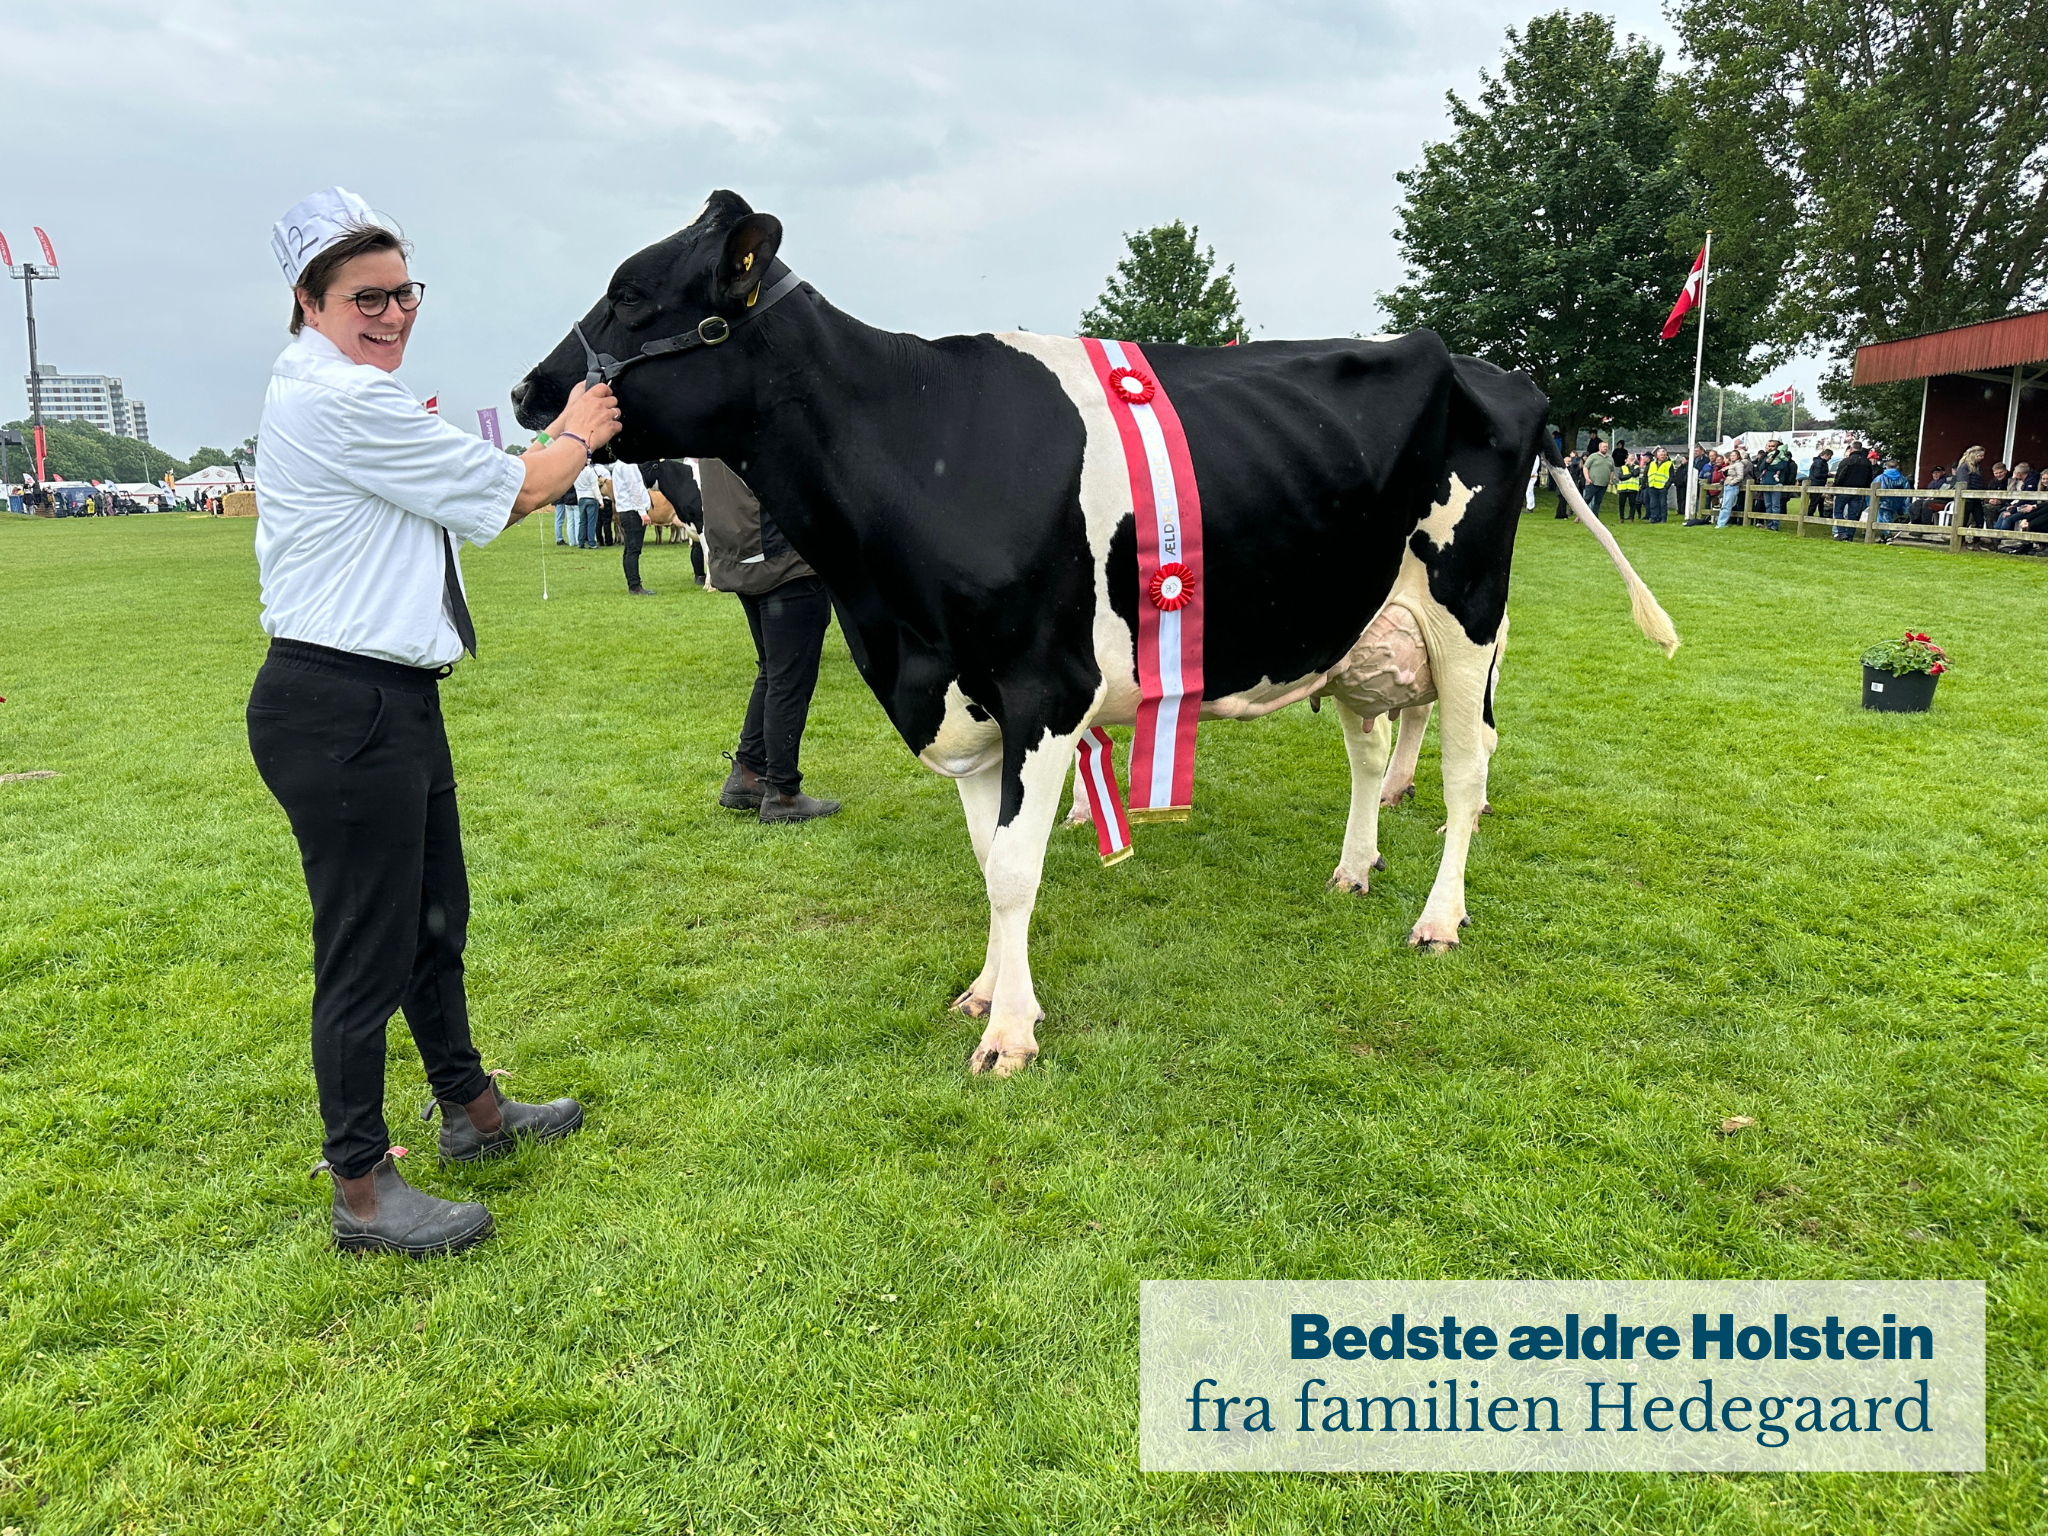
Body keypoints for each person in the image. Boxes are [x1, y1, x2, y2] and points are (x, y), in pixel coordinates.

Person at [248, 187, 619, 1256]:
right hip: (343, 704)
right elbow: (516, 491)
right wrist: (578, 431)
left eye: (404, 291)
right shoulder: (341, 400)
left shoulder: (349, 390)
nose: (393, 313)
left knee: (431, 922)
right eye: (365, 297)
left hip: (387, 698)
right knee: (364, 952)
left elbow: (471, 493)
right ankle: (361, 1187)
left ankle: (472, 1109)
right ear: (309, 301)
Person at [700, 457, 842, 823]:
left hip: (741, 552)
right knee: (789, 679)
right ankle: (783, 793)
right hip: (785, 556)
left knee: (773, 670)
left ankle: (748, 773)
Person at [649, 460, 707, 583]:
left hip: (697, 506)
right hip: (692, 507)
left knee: (700, 542)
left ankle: (704, 575)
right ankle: (700, 575)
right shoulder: (688, 464)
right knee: (698, 543)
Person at [609, 457, 655, 595]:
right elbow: (633, 489)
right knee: (633, 550)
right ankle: (635, 586)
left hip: (626, 510)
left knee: (630, 549)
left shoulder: (619, 465)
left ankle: (633, 583)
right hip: (632, 512)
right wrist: (642, 512)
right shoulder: (628, 465)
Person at [1832, 442, 1874, 541]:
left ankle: (1842, 532)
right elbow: (1869, 478)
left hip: (1844, 490)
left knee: (1838, 511)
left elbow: (1840, 475)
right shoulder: (1867, 462)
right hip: (1859, 491)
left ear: (1851, 449)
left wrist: (1836, 487)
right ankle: (1850, 535)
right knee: (1853, 514)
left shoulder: (1846, 461)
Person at [572, 460, 602, 549]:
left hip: (581, 498)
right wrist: (600, 500)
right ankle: (591, 543)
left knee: (582, 522)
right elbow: (594, 486)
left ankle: (581, 542)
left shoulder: (575, 472)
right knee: (591, 522)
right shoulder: (590, 471)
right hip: (591, 497)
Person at [1716, 446, 1748, 526]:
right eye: (1731, 455)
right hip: (1727, 485)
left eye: (1734, 455)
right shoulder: (1731, 464)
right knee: (1724, 505)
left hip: (1732, 486)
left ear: (1738, 456)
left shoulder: (1739, 464)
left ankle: (1721, 523)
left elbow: (1740, 476)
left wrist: (1732, 482)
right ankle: (1720, 523)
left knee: (1727, 505)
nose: (1732, 457)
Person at [1582, 440, 1613, 517]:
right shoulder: (1593, 456)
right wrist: (1587, 478)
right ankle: (1580, 515)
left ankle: (1595, 517)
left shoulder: (1610, 458)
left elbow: (1612, 470)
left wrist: (1610, 479)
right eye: (1604, 447)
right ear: (1600, 447)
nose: (1605, 448)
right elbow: (1585, 467)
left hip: (1603, 484)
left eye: (1606, 447)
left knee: (1598, 501)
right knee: (1587, 499)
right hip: (1592, 483)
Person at [1644, 448, 1671, 523]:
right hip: (1652, 486)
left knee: (1662, 504)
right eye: (1661, 455)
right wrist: (1648, 484)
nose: (1663, 456)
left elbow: (1672, 476)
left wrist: (1666, 486)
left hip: (1662, 487)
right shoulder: (1652, 463)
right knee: (1653, 503)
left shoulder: (1669, 464)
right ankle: (1654, 518)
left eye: (1664, 455)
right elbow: (1647, 474)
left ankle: (1663, 518)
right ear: (1657, 455)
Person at [1615, 454, 1643, 521]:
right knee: (1621, 504)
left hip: (1632, 488)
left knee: (1632, 504)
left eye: (1632, 458)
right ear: (1626, 459)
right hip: (1623, 489)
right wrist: (1630, 474)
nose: (1631, 460)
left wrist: (1631, 467)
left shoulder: (1636, 467)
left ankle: (1631, 518)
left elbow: (1635, 474)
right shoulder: (1622, 467)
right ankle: (1621, 518)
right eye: (1630, 458)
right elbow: (1621, 477)